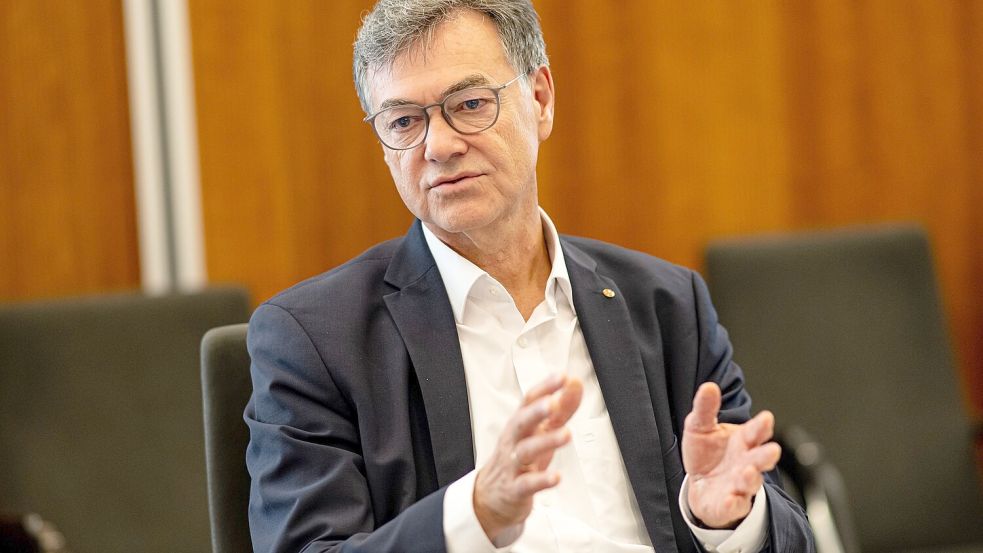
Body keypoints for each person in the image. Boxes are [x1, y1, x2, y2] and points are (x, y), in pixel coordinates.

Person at [244, 1, 815, 552]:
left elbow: (786, 531)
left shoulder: (667, 304)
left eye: (468, 104)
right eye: (404, 120)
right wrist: (476, 513)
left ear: (540, 99)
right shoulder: (315, 340)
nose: (438, 146)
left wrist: (729, 519)